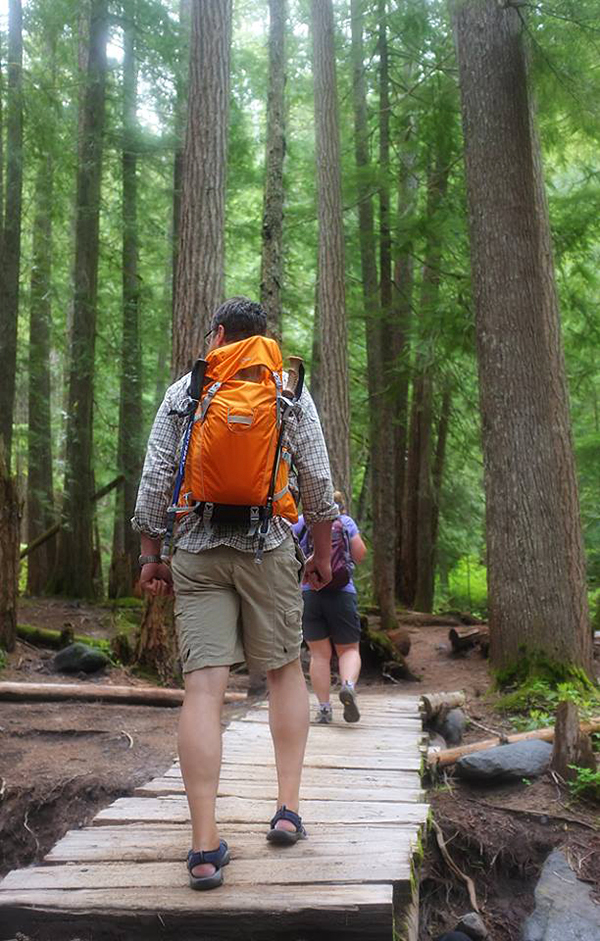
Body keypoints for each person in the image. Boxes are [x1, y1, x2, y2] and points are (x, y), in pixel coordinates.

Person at [132, 297, 338, 890]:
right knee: (283, 673)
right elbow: (318, 482)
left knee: (204, 687)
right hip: (267, 547)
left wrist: (152, 557)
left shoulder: (188, 391)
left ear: (219, 334)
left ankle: (203, 846)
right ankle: (288, 810)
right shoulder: (287, 391)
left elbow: (154, 476)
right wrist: (321, 556)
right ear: (262, 339)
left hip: (196, 549)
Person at [293, 491, 367, 725]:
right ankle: (347, 686)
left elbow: (289, 554)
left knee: (319, 654)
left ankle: (324, 709)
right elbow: (360, 554)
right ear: (341, 506)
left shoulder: (302, 522)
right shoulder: (345, 522)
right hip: (342, 593)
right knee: (349, 650)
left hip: (310, 592)